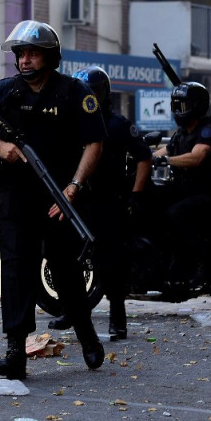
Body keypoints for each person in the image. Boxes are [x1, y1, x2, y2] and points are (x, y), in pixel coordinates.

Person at [0, 20, 107, 379]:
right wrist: (0, 145)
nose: (25, 60)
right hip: (15, 195)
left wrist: (73, 187)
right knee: (16, 268)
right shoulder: (4, 91)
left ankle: (86, 337)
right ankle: (15, 350)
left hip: (59, 196)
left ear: (49, 57)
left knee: (65, 271)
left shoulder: (75, 92)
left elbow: (94, 143)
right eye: (21, 53)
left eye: (33, 53)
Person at [47, 66, 153, 341]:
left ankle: (118, 319)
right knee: (68, 258)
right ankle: (73, 311)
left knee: (110, 262)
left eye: (90, 91)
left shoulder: (116, 124)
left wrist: (137, 194)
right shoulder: (72, 122)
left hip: (108, 201)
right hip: (77, 200)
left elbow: (143, 156)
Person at [151, 81, 211, 284]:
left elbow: (196, 157)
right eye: (175, 106)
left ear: (196, 106)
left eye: (182, 106)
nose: (177, 111)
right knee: (152, 202)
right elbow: (162, 152)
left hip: (208, 193)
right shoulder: (182, 134)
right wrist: (141, 156)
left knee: (175, 214)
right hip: (187, 190)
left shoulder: (208, 130)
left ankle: (198, 264)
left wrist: (165, 161)